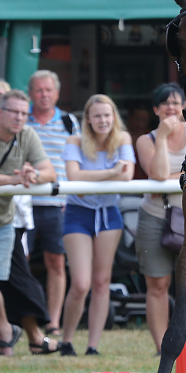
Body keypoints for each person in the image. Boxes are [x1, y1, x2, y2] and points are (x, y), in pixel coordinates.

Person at [0, 88, 60, 355]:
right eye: (13, 112)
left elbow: (50, 172)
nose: (19, 118)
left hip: (4, 220)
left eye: (23, 113)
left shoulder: (27, 135)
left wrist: (32, 174)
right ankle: (7, 329)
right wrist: (11, 180)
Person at [134, 83, 186, 353]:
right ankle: (161, 345)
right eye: (165, 103)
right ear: (156, 109)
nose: (171, 108)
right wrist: (161, 138)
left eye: (176, 102)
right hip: (154, 215)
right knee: (157, 284)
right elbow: (157, 175)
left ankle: (178, 338)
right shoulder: (145, 140)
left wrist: (180, 179)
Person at [60, 94, 135, 356]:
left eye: (107, 115)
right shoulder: (75, 140)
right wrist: (111, 173)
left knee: (102, 281)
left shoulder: (123, 138)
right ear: (88, 119)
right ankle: (66, 340)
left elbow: (127, 176)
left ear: (113, 117)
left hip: (108, 213)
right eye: (97, 116)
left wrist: (105, 176)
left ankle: (93, 345)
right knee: (81, 282)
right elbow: (74, 178)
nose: (103, 120)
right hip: (78, 213)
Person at [25, 70, 79, 338]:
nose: (43, 95)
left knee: (56, 263)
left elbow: (75, 164)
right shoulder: (21, 121)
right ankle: (22, 320)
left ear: (57, 94)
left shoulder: (70, 122)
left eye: (48, 90)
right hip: (22, 204)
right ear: (30, 93)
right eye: (38, 90)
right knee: (18, 264)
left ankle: (53, 322)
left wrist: (72, 200)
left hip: (58, 206)